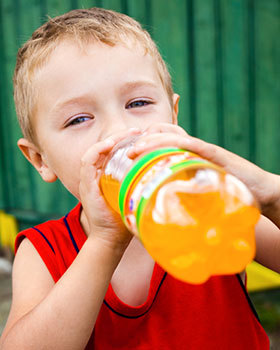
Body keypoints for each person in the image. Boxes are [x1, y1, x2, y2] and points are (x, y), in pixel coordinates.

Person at [0, 7, 278, 349]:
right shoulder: (46, 251)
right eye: (78, 119)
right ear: (41, 159)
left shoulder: (208, 203)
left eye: (138, 102)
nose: (120, 131)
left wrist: (270, 193)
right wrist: (105, 242)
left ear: (173, 116)